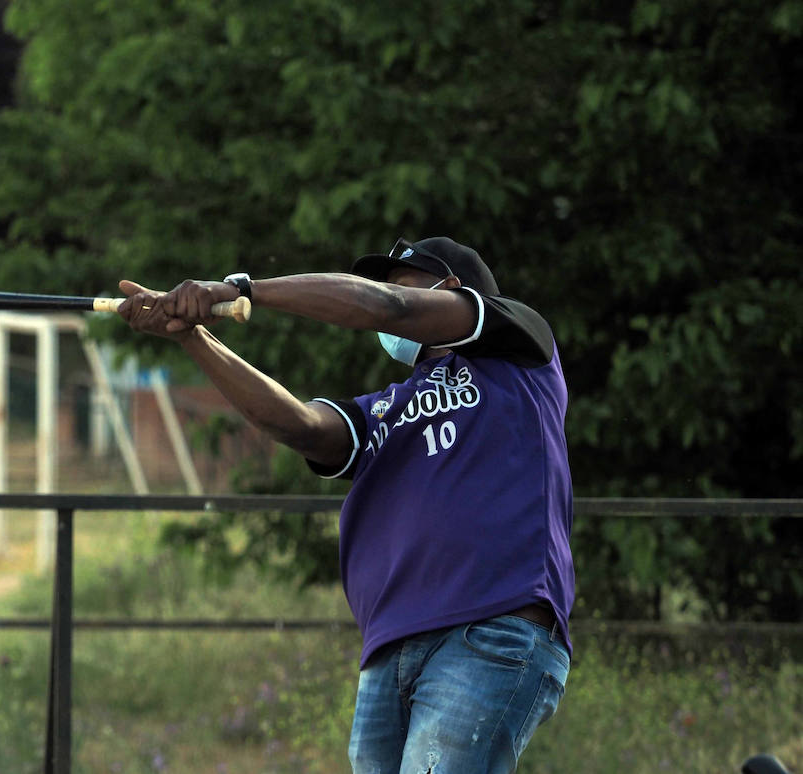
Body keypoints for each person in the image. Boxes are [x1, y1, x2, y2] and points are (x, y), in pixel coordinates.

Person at [118, 237, 574, 773]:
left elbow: (387, 306)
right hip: (390, 648)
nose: (382, 292)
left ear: (449, 289)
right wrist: (191, 336)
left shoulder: (520, 347)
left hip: (490, 630)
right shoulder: (386, 408)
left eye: (396, 279)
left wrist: (241, 289)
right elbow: (299, 425)